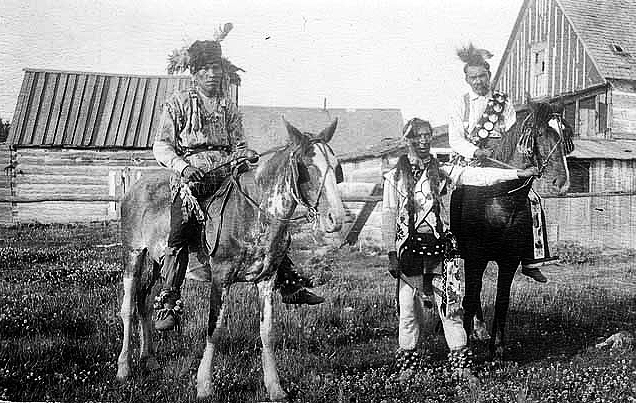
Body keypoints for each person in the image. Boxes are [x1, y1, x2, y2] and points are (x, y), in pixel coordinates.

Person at [152, 25, 323, 332]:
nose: (211, 74)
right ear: (193, 72)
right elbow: (161, 145)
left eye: (215, 68)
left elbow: (239, 143)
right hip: (193, 177)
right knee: (181, 227)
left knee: (269, 216)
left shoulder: (228, 106)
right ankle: (169, 297)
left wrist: (246, 154)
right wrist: (182, 166)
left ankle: (288, 281)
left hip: (229, 173)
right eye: (204, 69)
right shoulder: (177, 103)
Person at [382, 118, 538, 380]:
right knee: (408, 310)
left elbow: (478, 176)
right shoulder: (394, 177)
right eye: (417, 137)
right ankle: (407, 368)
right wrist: (390, 254)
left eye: (427, 136)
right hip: (408, 252)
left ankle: (461, 368)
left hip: (439, 253)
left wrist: (517, 174)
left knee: (451, 309)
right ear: (407, 139)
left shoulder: (441, 171)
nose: (423, 141)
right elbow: (388, 214)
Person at [448, 43, 557, 283]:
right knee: (458, 196)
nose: (478, 81)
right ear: (466, 79)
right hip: (470, 164)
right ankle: (456, 246)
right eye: (473, 77)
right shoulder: (460, 104)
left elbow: (512, 134)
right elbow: (455, 139)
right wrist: (476, 151)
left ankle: (530, 259)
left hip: (499, 162)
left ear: (489, 75)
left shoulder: (503, 103)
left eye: (482, 76)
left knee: (531, 199)